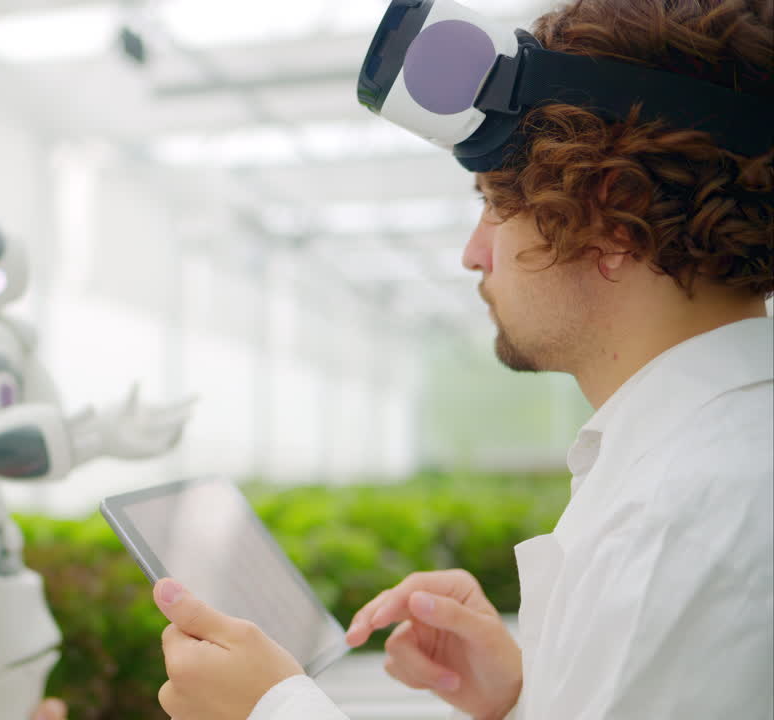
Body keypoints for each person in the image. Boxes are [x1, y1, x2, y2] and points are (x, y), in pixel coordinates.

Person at [152, 0, 773, 718]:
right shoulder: (704, 468)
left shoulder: (688, 516)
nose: (473, 252)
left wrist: (270, 710)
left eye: (496, 203)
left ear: (613, 221)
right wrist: (526, 693)